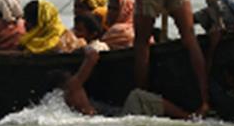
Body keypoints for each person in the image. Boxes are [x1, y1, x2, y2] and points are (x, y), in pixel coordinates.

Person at [53, 48, 191, 119]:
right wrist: (86, 47)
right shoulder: (72, 89)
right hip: (110, 120)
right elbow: (93, 56)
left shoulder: (64, 98)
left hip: (107, 119)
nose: (75, 78)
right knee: (137, 96)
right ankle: (188, 118)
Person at [19, 0, 84, 54]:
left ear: (40, 23)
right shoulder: (67, 35)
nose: (25, 24)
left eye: (27, 20)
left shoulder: (35, 46)